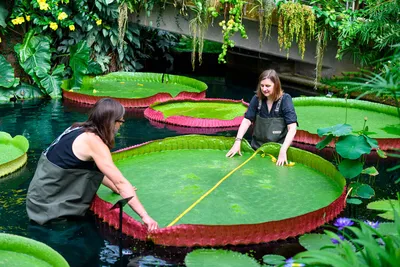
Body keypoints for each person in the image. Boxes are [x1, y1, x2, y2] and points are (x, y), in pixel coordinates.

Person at [26, 98, 158, 230]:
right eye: (121, 121)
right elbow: (121, 182)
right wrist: (144, 216)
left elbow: (93, 169)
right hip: (49, 209)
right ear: (111, 122)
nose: (121, 125)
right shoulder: (94, 142)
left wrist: (114, 188)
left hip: (36, 199)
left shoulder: (76, 128)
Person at [226, 69, 298, 166]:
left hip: (279, 150)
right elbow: (246, 121)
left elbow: (292, 127)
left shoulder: (285, 100)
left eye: (268, 86)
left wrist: (283, 149)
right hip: (257, 149)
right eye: (262, 85)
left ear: (276, 85)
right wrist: (238, 141)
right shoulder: (256, 99)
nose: (264, 89)